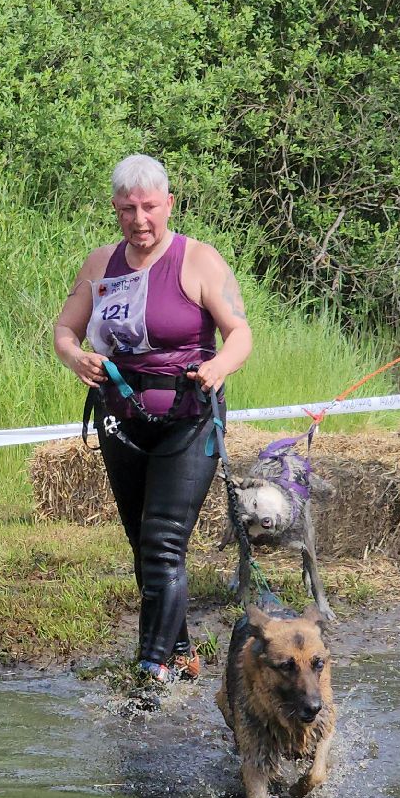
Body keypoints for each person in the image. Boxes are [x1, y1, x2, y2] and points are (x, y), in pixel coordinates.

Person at [53, 154, 253, 684]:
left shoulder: (199, 260)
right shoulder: (100, 264)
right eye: (126, 210)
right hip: (121, 418)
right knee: (144, 548)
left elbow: (241, 334)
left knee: (165, 542)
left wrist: (218, 367)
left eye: (148, 208)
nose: (139, 221)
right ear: (115, 210)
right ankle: (181, 652)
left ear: (168, 204)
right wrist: (77, 359)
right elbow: (64, 332)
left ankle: (151, 671)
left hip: (189, 417)